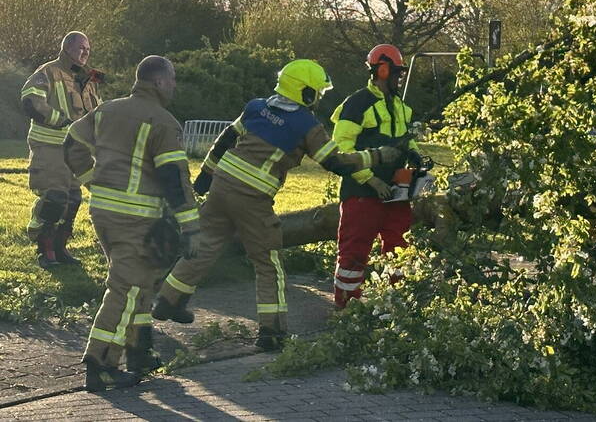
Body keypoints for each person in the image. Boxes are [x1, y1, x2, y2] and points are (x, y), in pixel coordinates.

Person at [151, 59, 401, 351]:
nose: (319, 98)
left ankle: (167, 301)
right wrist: (379, 156)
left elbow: (226, 139)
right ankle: (272, 333)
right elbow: (335, 161)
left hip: (222, 186)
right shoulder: (307, 124)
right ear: (305, 93)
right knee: (268, 263)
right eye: (317, 92)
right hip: (253, 198)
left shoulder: (257, 106)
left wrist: (205, 177)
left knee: (204, 247)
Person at [63, 55, 201, 392]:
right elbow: (174, 178)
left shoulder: (108, 109)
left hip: (104, 213)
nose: (174, 86)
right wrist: (190, 226)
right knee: (125, 290)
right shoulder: (164, 122)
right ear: (157, 82)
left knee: (137, 284)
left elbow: (71, 143)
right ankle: (100, 363)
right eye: (172, 80)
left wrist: (92, 181)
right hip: (136, 219)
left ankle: (139, 352)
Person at [332, 44, 421, 309]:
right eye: (397, 72)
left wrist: (416, 156)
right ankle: (347, 309)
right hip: (362, 193)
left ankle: (397, 306)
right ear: (383, 70)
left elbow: (405, 140)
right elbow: (342, 149)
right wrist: (371, 180)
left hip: (397, 191)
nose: (400, 78)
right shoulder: (357, 103)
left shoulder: (400, 106)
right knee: (354, 253)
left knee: (399, 250)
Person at [21, 31, 102, 268]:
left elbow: (97, 110)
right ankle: (44, 250)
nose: (85, 52)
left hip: (75, 151)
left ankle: (59, 248)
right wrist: (60, 120)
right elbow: (30, 101)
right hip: (49, 146)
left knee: (73, 199)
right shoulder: (48, 72)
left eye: (88, 48)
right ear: (66, 48)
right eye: (80, 48)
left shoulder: (89, 78)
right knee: (55, 198)